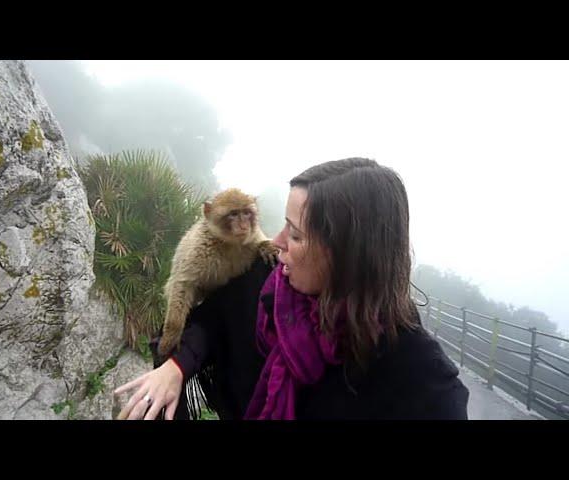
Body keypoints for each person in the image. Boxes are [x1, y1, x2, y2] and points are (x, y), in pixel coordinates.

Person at [115, 157, 469, 420]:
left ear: (346, 253)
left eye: (296, 235)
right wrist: (174, 368)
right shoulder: (266, 280)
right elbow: (213, 319)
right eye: (283, 226)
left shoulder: (420, 376)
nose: (277, 241)